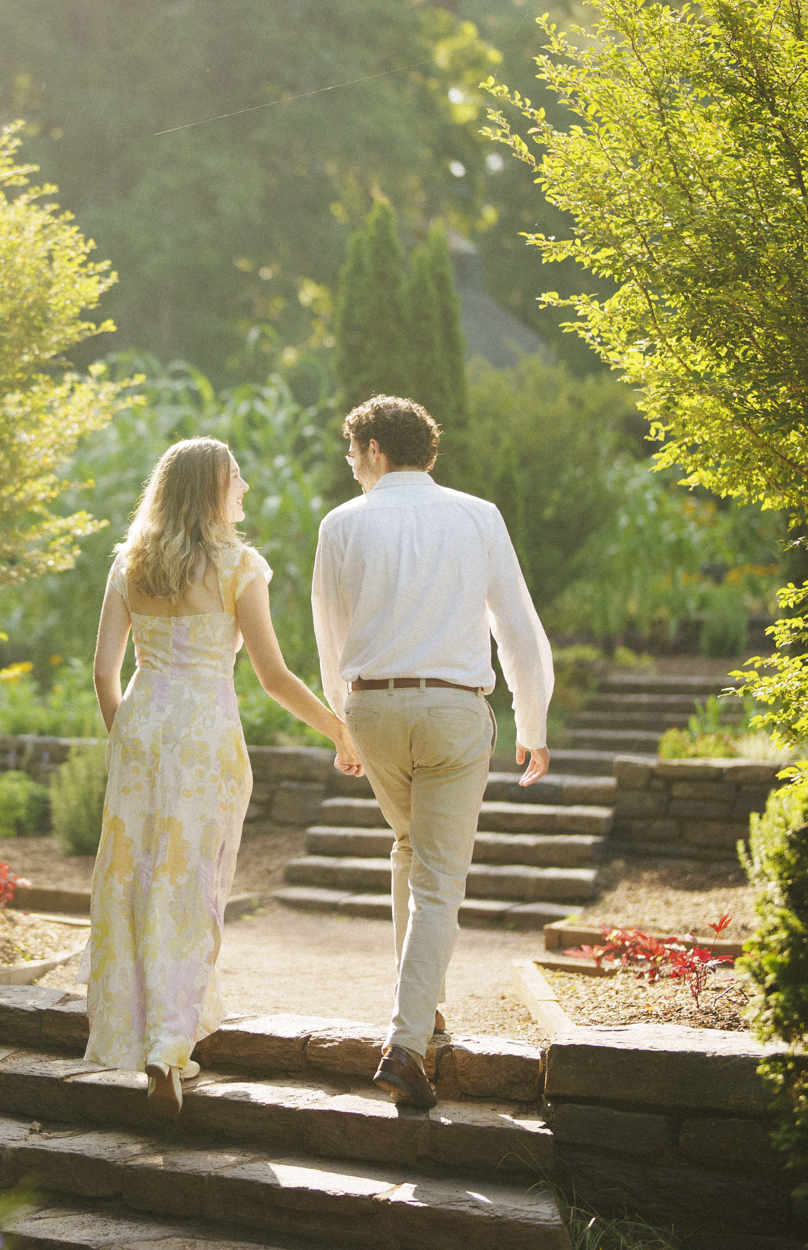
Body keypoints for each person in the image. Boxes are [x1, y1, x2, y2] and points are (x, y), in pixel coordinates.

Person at [86, 436, 362, 1118]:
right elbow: (272, 677)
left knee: (135, 883)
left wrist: (128, 738)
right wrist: (339, 730)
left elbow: (102, 672)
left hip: (142, 731)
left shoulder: (129, 563)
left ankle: (144, 1036)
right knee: (194, 886)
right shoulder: (241, 567)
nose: (245, 490)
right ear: (212, 490)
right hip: (205, 738)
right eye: (236, 479)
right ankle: (168, 1048)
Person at [311, 394, 553, 1109]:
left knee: (411, 849)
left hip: (374, 708)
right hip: (453, 711)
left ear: (376, 449)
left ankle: (425, 1008)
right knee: (441, 875)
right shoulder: (479, 516)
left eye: (354, 455)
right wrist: (531, 722)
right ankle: (407, 1041)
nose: (352, 468)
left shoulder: (341, 524)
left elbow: (331, 634)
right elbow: (517, 626)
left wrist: (341, 727)